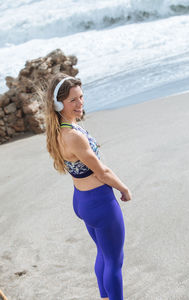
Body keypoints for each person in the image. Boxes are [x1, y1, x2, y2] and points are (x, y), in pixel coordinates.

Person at [44, 72, 132, 300]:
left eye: (81, 97)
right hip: (99, 202)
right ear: (58, 103)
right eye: (72, 100)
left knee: (104, 253)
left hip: (83, 200)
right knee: (114, 260)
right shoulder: (73, 136)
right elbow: (102, 171)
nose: (80, 103)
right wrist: (124, 188)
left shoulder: (59, 130)